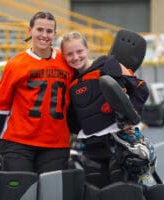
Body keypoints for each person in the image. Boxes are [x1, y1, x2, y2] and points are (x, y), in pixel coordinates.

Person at [0, 11, 75, 174]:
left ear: (55, 33)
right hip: (18, 142)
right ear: (29, 30)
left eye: (49, 31)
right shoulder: (16, 64)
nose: (44, 35)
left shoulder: (66, 61)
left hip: (56, 144)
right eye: (39, 30)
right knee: (21, 193)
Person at [60, 31, 150, 188]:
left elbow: (140, 88)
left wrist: (132, 116)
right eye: (70, 54)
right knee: (98, 193)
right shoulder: (69, 81)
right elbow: (73, 119)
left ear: (87, 49)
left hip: (119, 142)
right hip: (91, 148)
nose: (76, 57)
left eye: (79, 51)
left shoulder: (107, 64)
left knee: (124, 193)